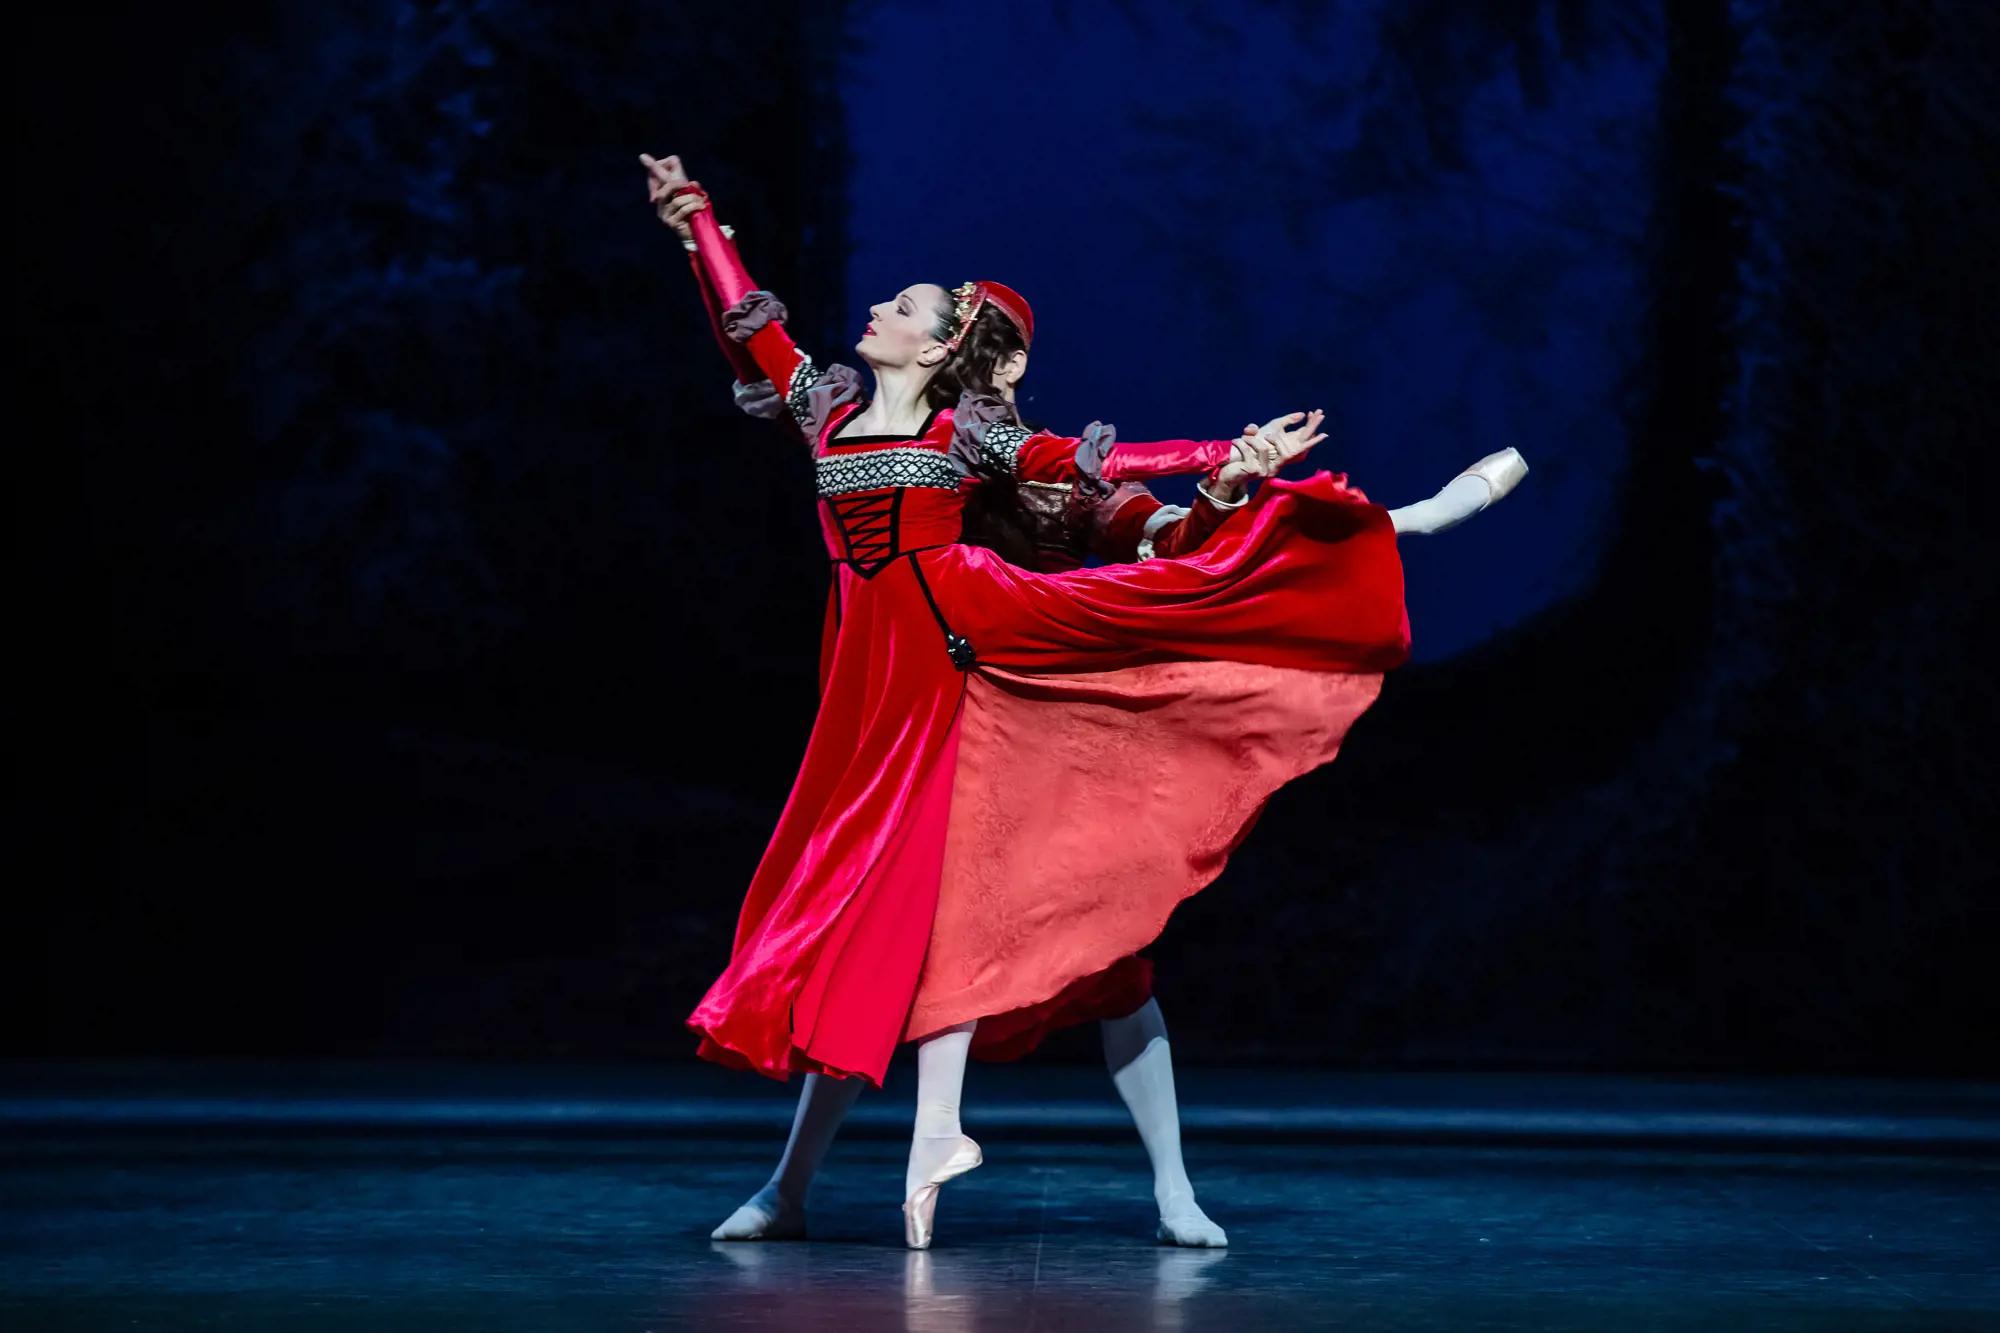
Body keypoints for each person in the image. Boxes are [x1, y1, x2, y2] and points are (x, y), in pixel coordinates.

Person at [643, 153, 1523, 1249]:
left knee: (1096, 961)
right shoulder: (831, 411)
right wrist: (696, 223)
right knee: (879, 937)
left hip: (1000, 654)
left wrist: (1228, 460)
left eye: (908, 306)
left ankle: (1399, 523)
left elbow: (1121, 498)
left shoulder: (981, 441)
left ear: (948, 347)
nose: (876, 307)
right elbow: (748, 328)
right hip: (889, 677)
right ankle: (795, 1186)